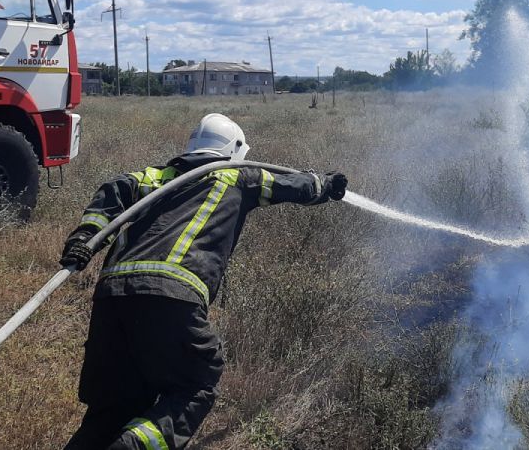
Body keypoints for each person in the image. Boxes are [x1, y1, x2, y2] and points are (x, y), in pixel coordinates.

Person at [60, 113, 348, 450]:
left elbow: (115, 189)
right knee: (195, 383)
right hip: (170, 294)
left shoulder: (160, 177)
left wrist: (85, 236)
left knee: (113, 407)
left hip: (112, 295)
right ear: (236, 150)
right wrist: (325, 184)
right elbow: (292, 185)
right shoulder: (237, 176)